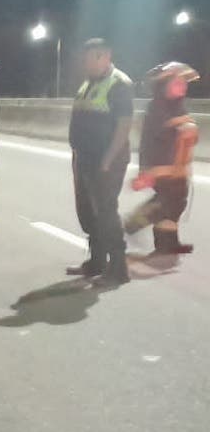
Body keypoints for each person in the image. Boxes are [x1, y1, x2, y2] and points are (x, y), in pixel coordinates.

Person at [66, 38, 134, 285]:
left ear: (103, 56)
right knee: (87, 211)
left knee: (105, 212)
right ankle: (96, 261)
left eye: (88, 58)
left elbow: (124, 125)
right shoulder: (88, 84)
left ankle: (118, 268)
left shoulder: (119, 84)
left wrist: (108, 159)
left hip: (106, 161)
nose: (84, 63)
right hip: (84, 158)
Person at [124, 62, 200, 254]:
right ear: (164, 85)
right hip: (161, 163)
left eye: (184, 83)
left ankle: (167, 243)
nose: (183, 86)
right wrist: (183, 123)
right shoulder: (157, 107)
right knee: (167, 201)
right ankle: (135, 221)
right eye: (177, 82)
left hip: (177, 164)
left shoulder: (177, 106)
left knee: (177, 202)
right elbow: (161, 130)